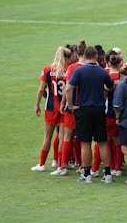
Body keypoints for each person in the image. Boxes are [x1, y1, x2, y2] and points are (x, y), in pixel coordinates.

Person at [66, 46, 114, 183]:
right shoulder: (102, 71)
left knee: (85, 142)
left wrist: (70, 105)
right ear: (96, 56)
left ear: (85, 56)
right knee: (102, 142)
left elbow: (69, 88)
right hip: (99, 109)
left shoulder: (79, 71)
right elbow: (110, 86)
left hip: (83, 109)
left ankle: (87, 175)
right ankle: (108, 174)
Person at [31, 46, 72, 172]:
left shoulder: (47, 69)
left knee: (47, 136)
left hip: (50, 107)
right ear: (66, 58)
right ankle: (60, 165)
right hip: (63, 108)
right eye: (69, 58)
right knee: (62, 137)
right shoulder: (68, 70)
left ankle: (42, 164)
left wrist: (37, 104)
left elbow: (41, 89)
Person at [51, 41, 87, 176]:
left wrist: (64, 104)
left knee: (67, 137)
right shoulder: (93, 67)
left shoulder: (72, 68)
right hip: (86, 107)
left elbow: (68, 88)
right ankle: (83, 166)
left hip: (72, 107)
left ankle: (62, 166)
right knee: (84, 138)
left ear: (76, 54)